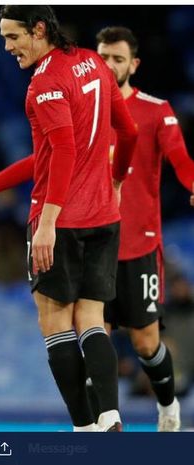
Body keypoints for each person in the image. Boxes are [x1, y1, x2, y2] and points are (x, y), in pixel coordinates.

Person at [0, 5, 139, 432]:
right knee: (91, 320)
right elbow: (127, 133)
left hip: (61, 221)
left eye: (13, 37)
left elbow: (63, 152)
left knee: (54, 325)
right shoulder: (93, 62)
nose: (7, 47)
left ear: (40, 29)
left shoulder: (44, 84)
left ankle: (84, 428)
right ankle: (109, 417)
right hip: (104, 216)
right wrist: (117, 181)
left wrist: (48, 222)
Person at [95, 26, 194, 432]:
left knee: (145, 344)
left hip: (139, 247)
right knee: (93, 338)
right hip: (93, 245)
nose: (109, 65)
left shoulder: (156, 110)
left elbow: (180, 157)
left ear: (133, 64)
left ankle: (168, 405)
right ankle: (105, 422)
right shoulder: (82, 110)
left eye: (118, 58)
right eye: (103, 57)